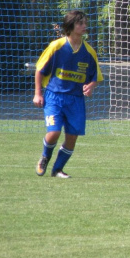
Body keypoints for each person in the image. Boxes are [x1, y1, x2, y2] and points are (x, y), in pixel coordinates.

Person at [33, 10, 103, 178]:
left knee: (72, 137)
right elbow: (39, 70)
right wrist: (38, 93)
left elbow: (97, 76)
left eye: (85, 23)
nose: (84, 26)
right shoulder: (56, 46)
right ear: (70, 27)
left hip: (76, 100)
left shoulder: (89, 51)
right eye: (80, 23)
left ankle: (57, 169)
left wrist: (91, 86)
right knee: (54, 132)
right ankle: (45, 157)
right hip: (54, 96)